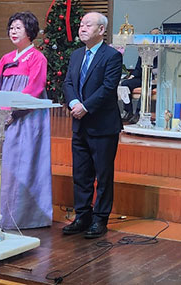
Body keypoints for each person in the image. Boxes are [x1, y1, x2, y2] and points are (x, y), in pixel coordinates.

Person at [0, 12, 52, 229]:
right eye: (11, 28)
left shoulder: (37, 58)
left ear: (30, 31)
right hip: (0, 118)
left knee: (17, 162)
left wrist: (9, 112)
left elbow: (34, 89)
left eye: (18, 28)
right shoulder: (6, 59)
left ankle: (17, 215)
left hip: (24, 118)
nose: (13, 32)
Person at [62, 12, 124, 239]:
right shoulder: (77, 55)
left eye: (88, 25)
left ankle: (100, 219)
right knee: (81, 174)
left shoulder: (112, 55)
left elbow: (108, 88)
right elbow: (68, 82)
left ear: (101, 30)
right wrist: (74, 103)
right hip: (79, 124)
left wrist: (85, 106)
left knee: (103, 175)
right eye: (81, 24)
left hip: (103, 125)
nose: (82, 28)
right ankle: (82, 216)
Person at [120, 28, 160, 123]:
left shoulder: (163, 52)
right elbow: (138, 69)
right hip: (143, 77)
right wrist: (132, 76)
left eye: (157, 35)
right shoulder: (146, 51)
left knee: (146, 87)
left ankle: (138, 113)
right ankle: (128, 111)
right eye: (152, 35)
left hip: (155, 80)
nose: (154, 37)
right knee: (125, 84)